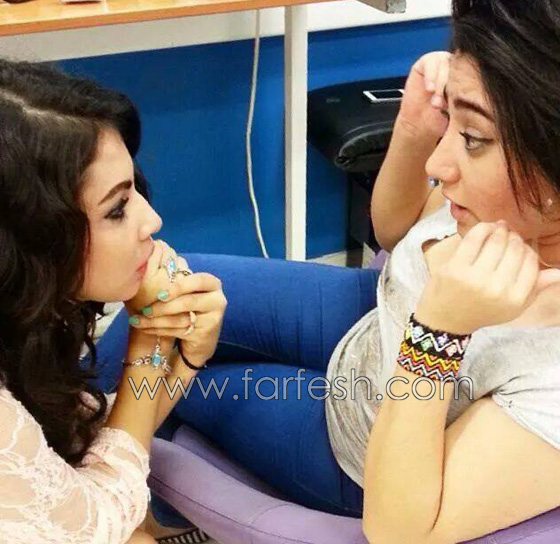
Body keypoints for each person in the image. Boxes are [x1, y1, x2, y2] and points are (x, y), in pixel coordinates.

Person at [117, 1, 560, 542]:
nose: (438, 166)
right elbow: (394, 233)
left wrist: (439, 333)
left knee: (169, 386)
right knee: (164, 288)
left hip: (360, 443)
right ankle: (78, 481)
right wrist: (414, 129)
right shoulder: (503, 197)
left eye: (473, 139)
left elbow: (399, 530)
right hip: (367, 317)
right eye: (454, 125)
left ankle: (113, 507)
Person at [0, 58, 227, 543]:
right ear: (31, 237)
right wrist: (151, 341)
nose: (152, 221)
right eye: (117, 208)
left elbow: (90, 454)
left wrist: (184, 358)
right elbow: (99, 522)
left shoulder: (30, 314)